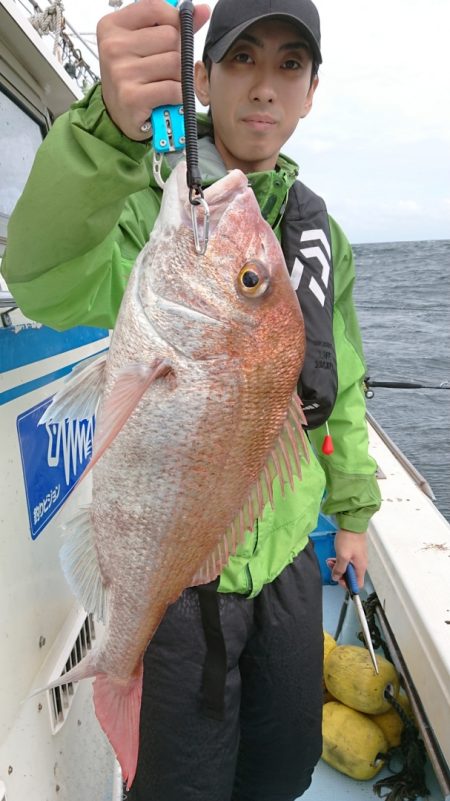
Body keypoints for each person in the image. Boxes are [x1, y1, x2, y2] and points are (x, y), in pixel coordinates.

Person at [1, 0, 382, 798]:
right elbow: (42, 274)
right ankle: (120, 665)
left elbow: (341, 385)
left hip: (286, 567)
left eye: (289, 66)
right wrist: (106, 130)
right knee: (180, 783)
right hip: (178, 582)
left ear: (312, 90)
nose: (264, 88)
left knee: (281, 765)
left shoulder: (323, 238)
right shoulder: (148, 212)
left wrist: (352, 516)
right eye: (241, 60)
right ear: (200, 78)